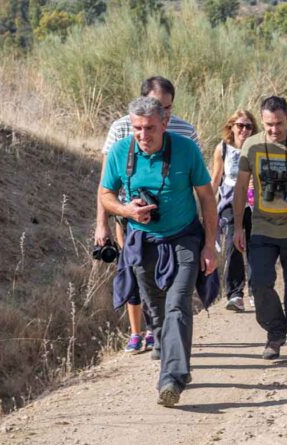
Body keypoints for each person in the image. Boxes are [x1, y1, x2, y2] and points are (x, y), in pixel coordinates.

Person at [99, 96, 218, 407]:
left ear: (164, 123)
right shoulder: (120, 151)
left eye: (149, 128)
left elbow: (207, 198)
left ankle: (172, 379)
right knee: (157, 311)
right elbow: (104, 193)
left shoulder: (186, 149)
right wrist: (125, 211)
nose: (143, 135)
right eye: (137, 128)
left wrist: (209, 245)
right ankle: (172, 364)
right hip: (142, 240)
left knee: (178, 304)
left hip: (184, 238)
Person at [93, 76, 201, 356]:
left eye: (167, 107)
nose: (164, 113)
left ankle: (161, 333)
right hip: (130, 220)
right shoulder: (121, 130)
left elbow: (198, 183)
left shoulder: (185, 133)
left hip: (177, 225)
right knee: (134, 271)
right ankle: (138, 330)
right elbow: (107, 184)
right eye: (157, 106)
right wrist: (103, 222)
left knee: (174, 291)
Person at [232, 96, 287, 364]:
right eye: (269, 124)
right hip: (262, 227)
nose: (274, 130)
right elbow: (240, 188)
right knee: (259, 283)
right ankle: (275, 331)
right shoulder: (252, 145)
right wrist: (238, 227)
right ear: (263, 121)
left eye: (279, 124)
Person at [210, 110, 258, 312]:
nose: (244, 130)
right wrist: (208, 208)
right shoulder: (222, 149)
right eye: (240, 125)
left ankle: (257, 291)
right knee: (233, 245)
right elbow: (215, 179)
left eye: (248, 126)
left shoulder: (259, 147)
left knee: (256, 247)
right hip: (230, 202)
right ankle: (235, 294)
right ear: (231, 127)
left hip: (255, 202)